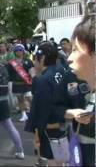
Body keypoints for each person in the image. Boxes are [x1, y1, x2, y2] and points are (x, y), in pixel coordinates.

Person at [56, 15, 95, 166]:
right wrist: (72, 113)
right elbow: (55, 108)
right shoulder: (68, 77)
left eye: (75, 50)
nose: (69, 58)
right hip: (81, 144)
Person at [25, 41, 71, 166]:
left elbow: (41, 108)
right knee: (62, 158)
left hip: (50, 125)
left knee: (52, 159)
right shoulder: (61, 70)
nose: (35, 61)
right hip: (65, 119)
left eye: (36, 58)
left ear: (43, 58)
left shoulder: (42, 79)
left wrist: (37, 132)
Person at [8, 44, 34, 122]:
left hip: (27, 83)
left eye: (20, 50)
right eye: (17, 51)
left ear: (23, 51)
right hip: (17, 83)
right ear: (14, 52)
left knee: (30, 99)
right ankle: (24, 115)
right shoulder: (11, 63)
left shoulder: (28, 61)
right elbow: (9, 73)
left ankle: (34, 113)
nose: (19, 52)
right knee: (20, 100)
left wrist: (32, 76)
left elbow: (32, 70)